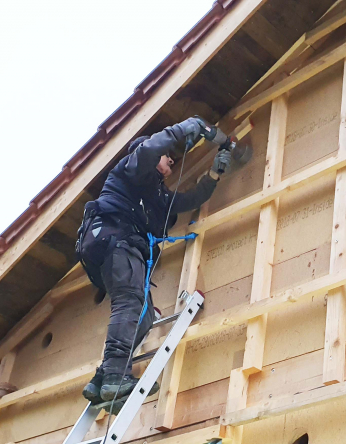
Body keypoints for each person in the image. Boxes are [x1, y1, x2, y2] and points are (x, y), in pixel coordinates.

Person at [75, 117, 231, 408]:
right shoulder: (134, 168)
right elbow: (149, 150)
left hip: (116, 250)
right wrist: (186, 128)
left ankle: (102, 380)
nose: (171, 162)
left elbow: (188, 200)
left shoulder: (156, 194)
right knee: (130, 302)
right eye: (167, 158)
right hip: (116, 240)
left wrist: (214, 174)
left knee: (144, 315)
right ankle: (115, 377)